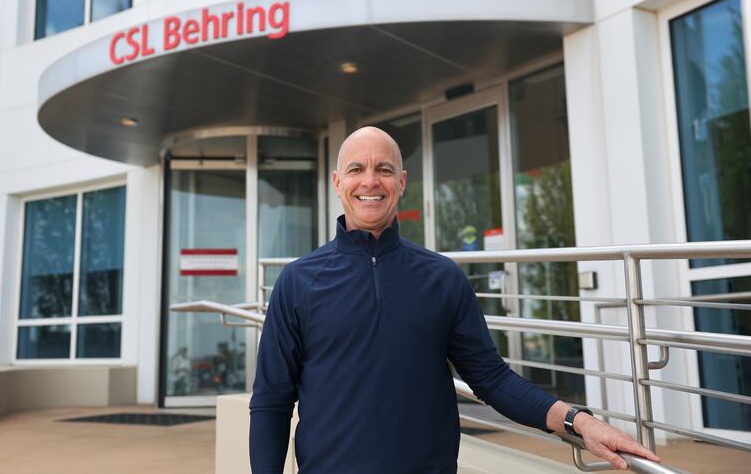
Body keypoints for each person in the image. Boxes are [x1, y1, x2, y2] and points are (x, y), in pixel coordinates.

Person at [250, 126, 660, 473]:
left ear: (403, 182)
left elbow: (493, 380)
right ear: (338, 182)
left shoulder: (443, 278)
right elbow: (272, 401)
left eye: (384, 169)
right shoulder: (298, 281)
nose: (370, 181)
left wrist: (579, 421)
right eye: (356, 169)